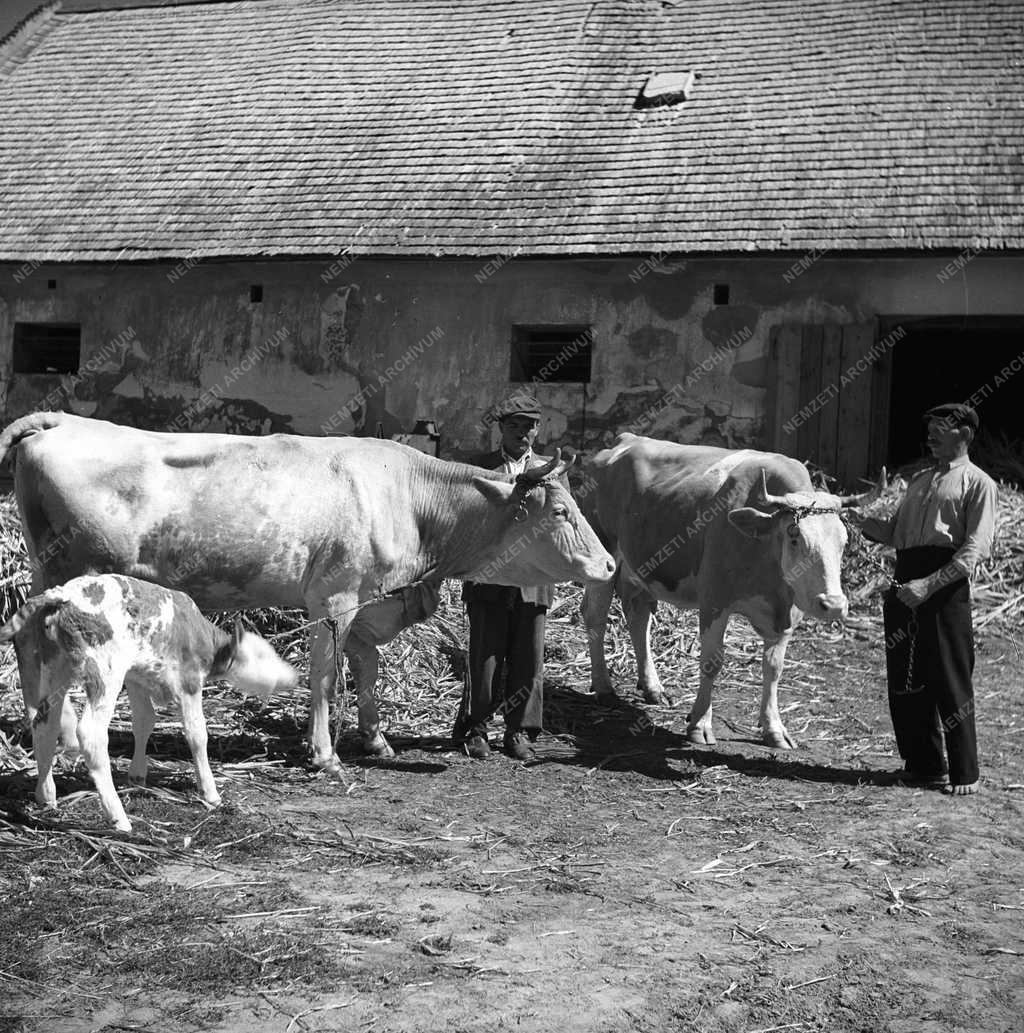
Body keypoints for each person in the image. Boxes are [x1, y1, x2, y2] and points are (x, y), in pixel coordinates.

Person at [851, 403, 997, 795]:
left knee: (949, 678)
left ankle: (965, 772)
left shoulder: (979, 483)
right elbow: (895, 533)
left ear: (964, 434)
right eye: (929, 428)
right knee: (905, 679)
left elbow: (974, 550)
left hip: (944, 588)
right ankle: (924, 765)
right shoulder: (918, 480)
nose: (930, 436)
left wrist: (928, 585)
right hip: (904, 581)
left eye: (940, 429)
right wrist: (859, 520)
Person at [453, 393, 553, 761]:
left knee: (529, 658)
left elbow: (562, 523)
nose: (522, 433)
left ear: (538, 430)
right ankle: (476, 729)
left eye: (529, 426)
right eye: (514, 426)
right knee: (485, 656)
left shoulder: (552, 470)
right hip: (489, 577)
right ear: (500, 430)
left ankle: (519, 733)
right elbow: (466, 519)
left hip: (534, 580)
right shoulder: (480, 469)